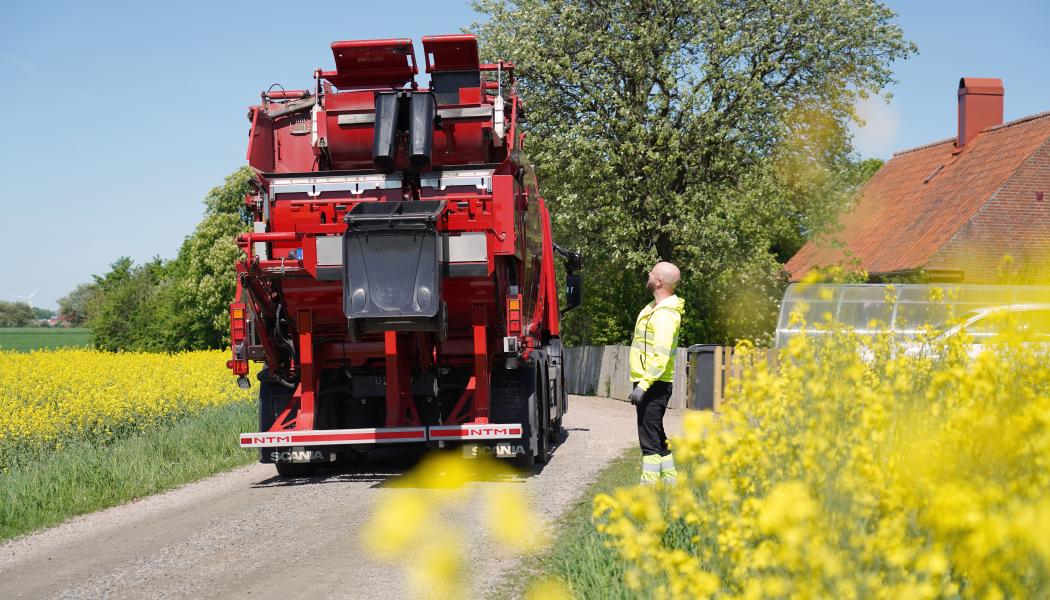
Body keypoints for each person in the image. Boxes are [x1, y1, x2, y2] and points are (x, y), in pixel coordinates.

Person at [627, 262, 684, 485]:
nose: (648, 273)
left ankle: (648, 488)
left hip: (654, 384)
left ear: (659, 281)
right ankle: (670, 481)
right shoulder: (653, 308)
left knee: (648, 436)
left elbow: (660, 356)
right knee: (656, 432)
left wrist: (643, 385)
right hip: (650, 382)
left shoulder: (665, 316)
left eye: (652, 272)